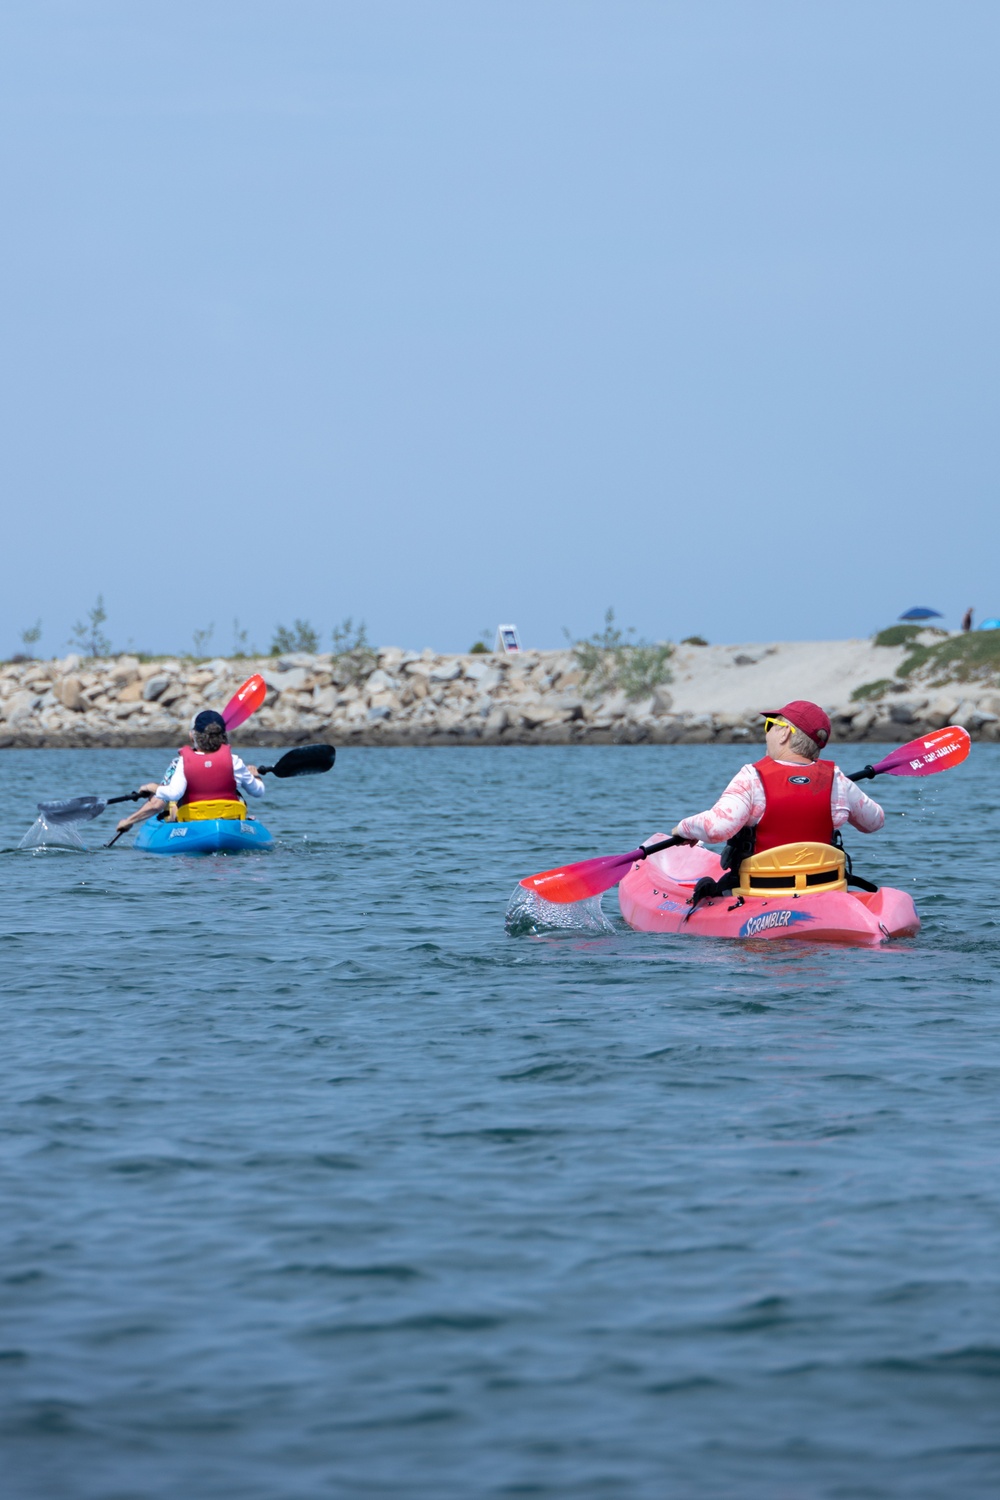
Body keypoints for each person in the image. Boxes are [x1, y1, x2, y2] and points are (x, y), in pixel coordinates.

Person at [667, 700, 884, 867]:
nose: (767, 732)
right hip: (822, 885)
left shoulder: (751, 777)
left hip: (761, 889)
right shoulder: (837, 780)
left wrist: (683, 829)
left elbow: (715, 829)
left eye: (770, 725)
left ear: (783, 733)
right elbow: (874, 821)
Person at [115, 709, 265, 835]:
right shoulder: (235, 761)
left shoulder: (182, 762)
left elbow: (170, 795)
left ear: (192, 736)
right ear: (224, 736)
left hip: (192, 823)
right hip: (229, 822)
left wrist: (150, 789)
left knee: (172, 804)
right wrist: (255, 776)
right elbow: (258, 791)